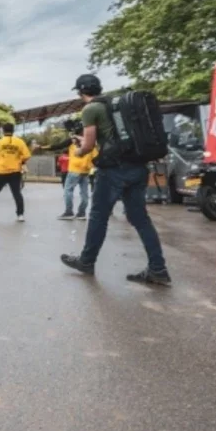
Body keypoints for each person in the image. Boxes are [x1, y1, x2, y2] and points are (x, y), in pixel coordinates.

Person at [60, 74, 171, 286]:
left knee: (98, 216)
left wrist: (79, 149)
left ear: (81, 91)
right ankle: (158, 269)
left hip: (113, 170)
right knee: (141, 219)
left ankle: (87, 261)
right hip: (138, 166)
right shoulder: (115, 105)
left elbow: (89, 146)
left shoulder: (91, 109)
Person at [0, 123, 30, 222]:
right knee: (17, 193)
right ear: (13, 131)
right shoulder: (19, 141)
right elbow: (27, 155)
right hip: (15, 171)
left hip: (1, 171)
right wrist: (20, 161)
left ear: (3, 131)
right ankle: (20, 215)